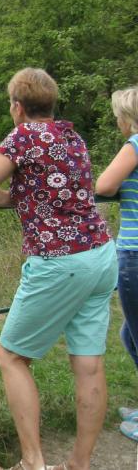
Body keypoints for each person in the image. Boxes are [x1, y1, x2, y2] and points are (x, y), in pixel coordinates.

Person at [0, 68, 116, 470]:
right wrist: (31, 197)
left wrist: (17, 199)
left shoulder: (23, 137)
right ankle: (79, 464)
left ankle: (33, 462)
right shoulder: (72, 136)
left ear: (17, 107)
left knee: (11, 357)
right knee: (89, 365)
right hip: (100, 253)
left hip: (60, 260)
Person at [94, 86, 138, 442]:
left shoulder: (135, 144)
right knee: (128, 333)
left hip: (135, 253)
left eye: (118, 118)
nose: (118, 123)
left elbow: (105, 185)